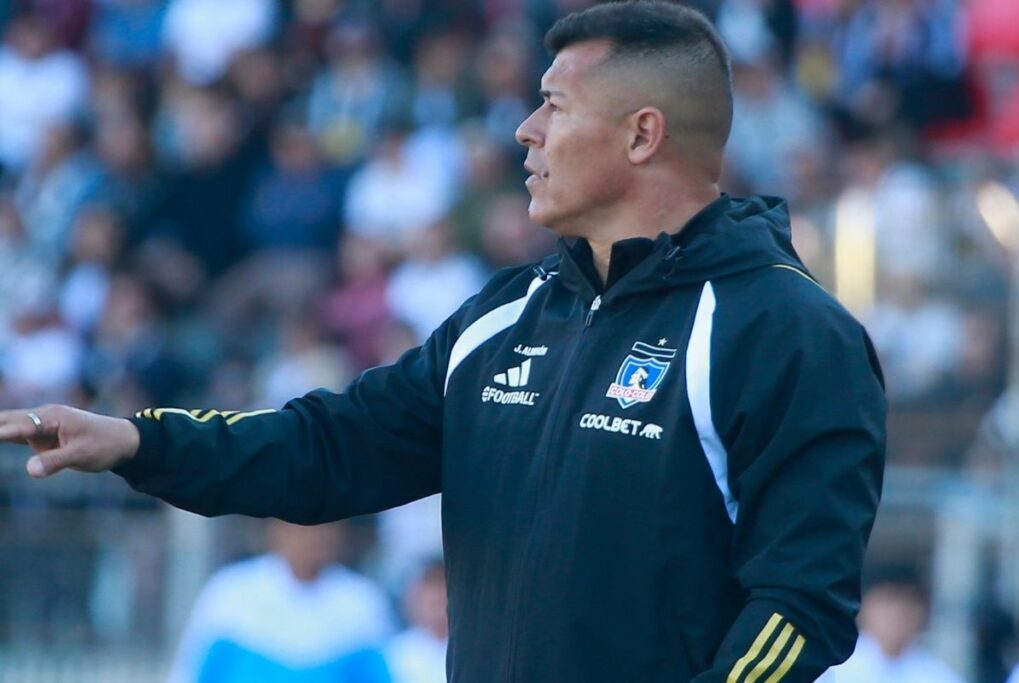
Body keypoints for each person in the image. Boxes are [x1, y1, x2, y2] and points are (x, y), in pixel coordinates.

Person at [0, 3, 886, 681]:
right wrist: (138, 440)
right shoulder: (506, 316)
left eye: (552, 105)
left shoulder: (788, 331)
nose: (525, 132)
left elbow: (798, 608)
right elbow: (331, 445)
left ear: (643, 134)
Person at [168, 520, 394, 683]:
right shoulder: (231, 592)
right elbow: (190, 672)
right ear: (275, 529)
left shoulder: (361, 602)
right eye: (302, 527)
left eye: (324, 526)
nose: (314, 537)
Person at [833, 567, 964, 683]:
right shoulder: (832, 668)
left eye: (908, 604)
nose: (897, 613)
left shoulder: (937, 675)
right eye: (888, 601)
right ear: (863, 607)